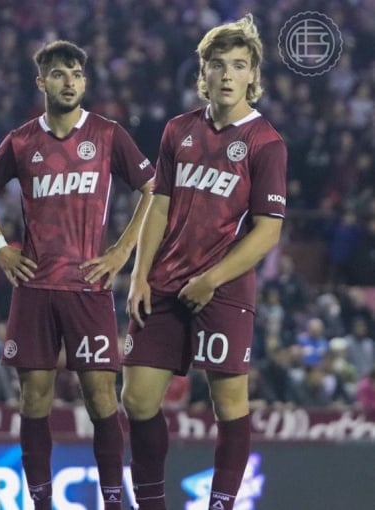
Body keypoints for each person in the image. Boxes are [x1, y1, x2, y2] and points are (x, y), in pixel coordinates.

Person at [0, 40, 154, 509]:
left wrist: (122, 250)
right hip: (34, 287)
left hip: (88, 287)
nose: (69, 81)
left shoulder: (108, 134)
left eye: (76, 73)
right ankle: (41, 503)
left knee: (101, 398)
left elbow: (153, 189)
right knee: (34, 400)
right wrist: (0, 249)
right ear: (42, 82)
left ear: (84, 81)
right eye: (58, 74)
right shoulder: (20, 141)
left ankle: (113, 501)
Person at [122, 14, 287, 510]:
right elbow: (159, 205)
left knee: (229, 404)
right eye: (218, 64)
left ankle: (220, 505)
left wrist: (212, 279)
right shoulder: (179, 130)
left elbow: (268, 230)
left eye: (238, 65)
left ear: (253, 75)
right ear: (204, 73)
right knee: (137, 400)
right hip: (164, 283)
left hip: (224, 288)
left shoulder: (266, 142)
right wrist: (139, 275)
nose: (228, 74)